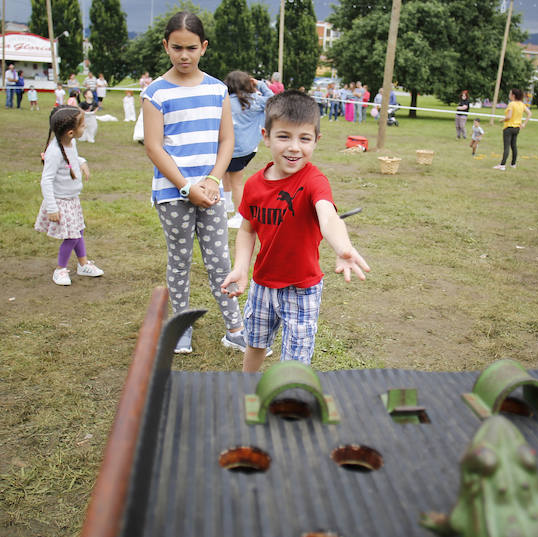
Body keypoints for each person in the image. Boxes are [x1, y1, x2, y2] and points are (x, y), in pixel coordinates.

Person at [220, 91, 370, 371]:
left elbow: (328, 216)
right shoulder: (253, 185)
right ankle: (246, 389)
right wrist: (241, 267)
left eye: (304, 139)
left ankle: (289, 396)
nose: (294, 147)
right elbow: (247, 230)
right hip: (262, 285)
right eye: (284, 136)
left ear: (316, 140)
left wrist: (342, 246)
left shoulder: (314, 181)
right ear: (266, 136)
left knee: (295, 361)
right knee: (255, 343)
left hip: (303, 290)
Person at [142, 11, 245, 355]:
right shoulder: (155, 93)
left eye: (191, 48)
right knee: (180, 260)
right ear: (166, 46)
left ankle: (235, 328)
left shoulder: (218, 90)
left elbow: (227, 140)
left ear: (204, 47)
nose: (184, 55)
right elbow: (154, 147)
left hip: (212, 192)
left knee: (220, 260)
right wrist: (187, 187)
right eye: (177, 48)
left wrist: (213, 180)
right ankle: (181, 326)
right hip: (173, 194)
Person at [34, 106, 104, 286]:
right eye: (83, 125)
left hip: (72, 199)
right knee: (72, 236)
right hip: (60, 201)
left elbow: (72, 158)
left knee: (78, 231)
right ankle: (60, 269)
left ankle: (83, 264)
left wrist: (82, 162)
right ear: (71, 132)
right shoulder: (54, 152)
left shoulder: (71, 143)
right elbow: (46, 180)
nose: (85, 127)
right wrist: (52, 208)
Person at [222, 70, 275, 229]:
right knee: (226, 173)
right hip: (249, 149)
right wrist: (260, 84)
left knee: (236, 182)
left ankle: (241, 215)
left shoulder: (225, 101)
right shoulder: (255, 100)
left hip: (233, 149)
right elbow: (273, 99)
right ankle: (227, 204)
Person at [493, 88, 531, 171]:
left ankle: (502, 165)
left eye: (510, 93)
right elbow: (529, 113)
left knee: (506, 147)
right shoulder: (521, 104)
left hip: (509, 127)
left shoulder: (511, 104)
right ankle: (513, 164)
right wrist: (524, 124)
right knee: (514, 146)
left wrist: (502, 120)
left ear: (513, 95)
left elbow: (509, 117)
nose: (509, 95)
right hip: (516, 128)